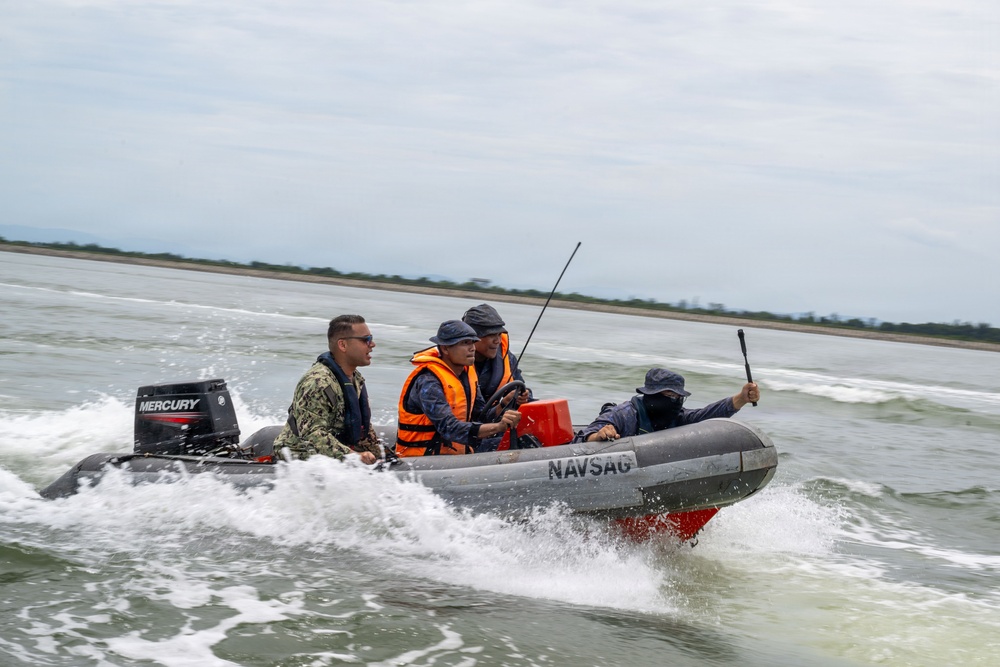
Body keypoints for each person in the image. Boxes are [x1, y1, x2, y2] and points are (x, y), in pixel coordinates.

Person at [396, 320, 521, 456]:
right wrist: (498, 427)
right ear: (445, 348)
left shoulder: (466, 376)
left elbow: (480, 417)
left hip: (457, 453)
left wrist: (502, 405)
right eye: (465, 343)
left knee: (521, 440)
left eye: (473, 342)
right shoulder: (428, 382)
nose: (472, 348)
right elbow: (449, 428)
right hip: (424, 459)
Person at [273, 314, 382, 464]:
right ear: (343, 345)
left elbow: (364, 428)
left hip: (336, 454)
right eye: (366, 340)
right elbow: (312, 435)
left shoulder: (355, 379)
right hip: (300, 456)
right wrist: (353, 457)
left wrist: (381, 458)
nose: (372, 344)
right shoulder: (318, 382)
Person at [573, 368, 760, 442]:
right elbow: (583, 438)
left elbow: (706, 415)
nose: (675, 402)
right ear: (652, 395)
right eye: (670, 395)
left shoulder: (677, 417)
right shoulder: (624, 414)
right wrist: (600, 435)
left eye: (679, 397)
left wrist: (742, 398)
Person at [461, 303, 532, 406]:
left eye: (499, 334)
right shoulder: (452, 359)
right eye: (491, 335)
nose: (497, 341)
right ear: (472, 337)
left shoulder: (507, 358)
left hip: (490, 417)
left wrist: (523, 396)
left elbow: (519, 389)